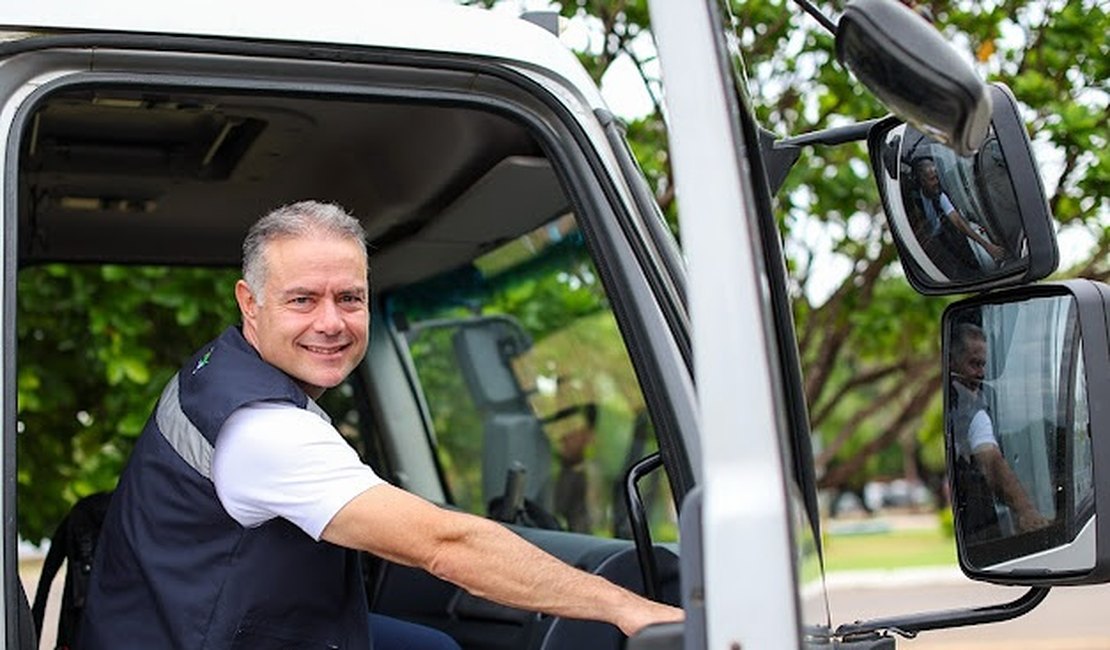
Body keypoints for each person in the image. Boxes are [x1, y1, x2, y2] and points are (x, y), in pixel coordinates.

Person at [78, 200, 683, 649]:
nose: (331, 322)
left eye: (350, 298)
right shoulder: (265, 430)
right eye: (302, 300)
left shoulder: (220, 371)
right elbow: (445, 547)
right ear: (249, 302)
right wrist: (626, 608)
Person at [948, 323, 1049, 542]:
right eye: (974, 364)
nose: (981, 374)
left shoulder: (976, 400)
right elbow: (991, 461)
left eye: (983, 365)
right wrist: (1026, 511)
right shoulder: (968, 407)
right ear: (950, 362)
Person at [912, 158, 1006, 274]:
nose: (936, 182)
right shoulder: (913, 200)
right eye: (932, 179)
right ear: (922, 181)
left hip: (946, 241)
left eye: (937, 178)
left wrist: (987, 246)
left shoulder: (940, 196)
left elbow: (957, 221)